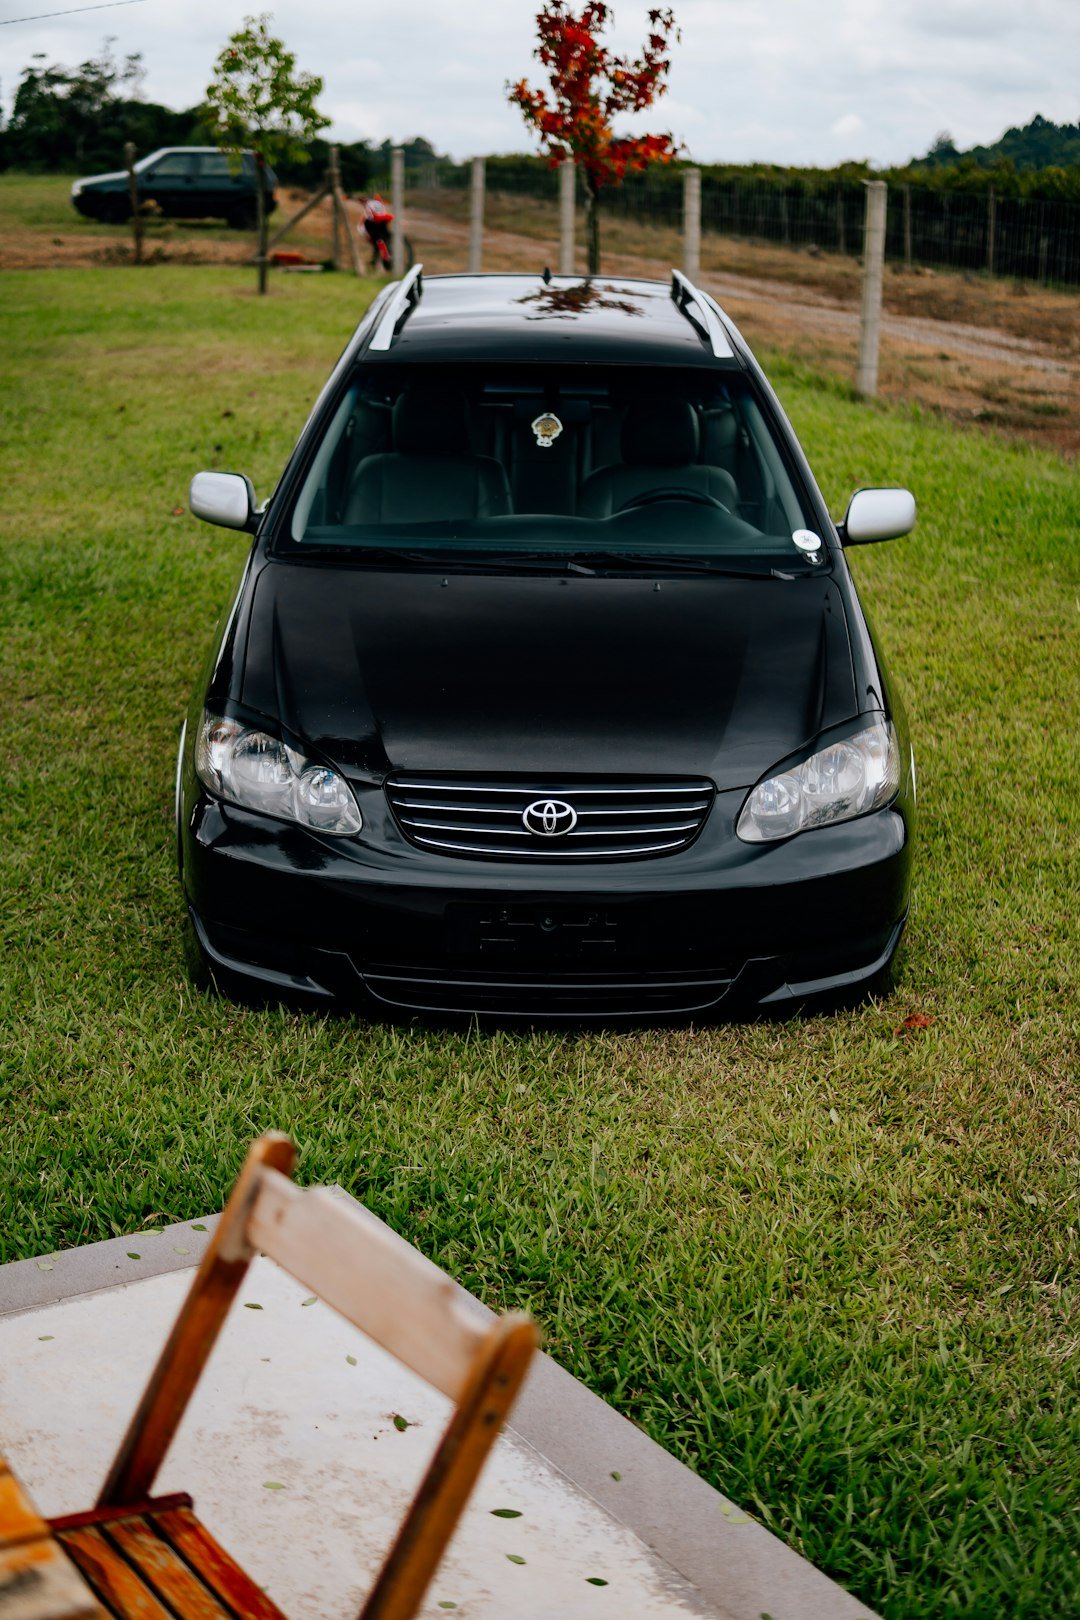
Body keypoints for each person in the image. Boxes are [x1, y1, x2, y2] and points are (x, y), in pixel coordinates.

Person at [361, 193, 394, 267]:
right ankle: (383, 255)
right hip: (382, 221)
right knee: (383, 238)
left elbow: (370, 217)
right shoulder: (379, 203)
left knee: (378, 240)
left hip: (374, 222)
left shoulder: (369, 203)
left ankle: (385, 257)